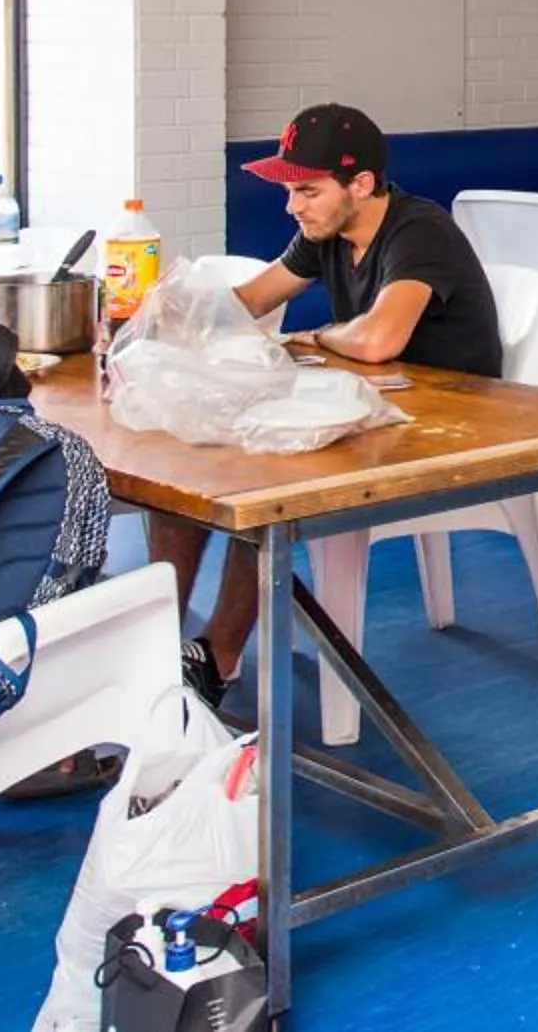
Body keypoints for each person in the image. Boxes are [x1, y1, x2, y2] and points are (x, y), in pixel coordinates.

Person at [150, 103, 503, 708]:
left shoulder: (420, 231)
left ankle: (218, 657)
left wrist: (318, 336)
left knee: (265, 491)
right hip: (378, 414)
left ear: (360, 185)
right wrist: (163, 320)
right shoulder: (328, 234)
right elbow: (250, 299)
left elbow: (376, 340)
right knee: (192, 467)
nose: (293, 206)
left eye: (307, 190)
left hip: (450, 432)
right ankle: (154, 649)